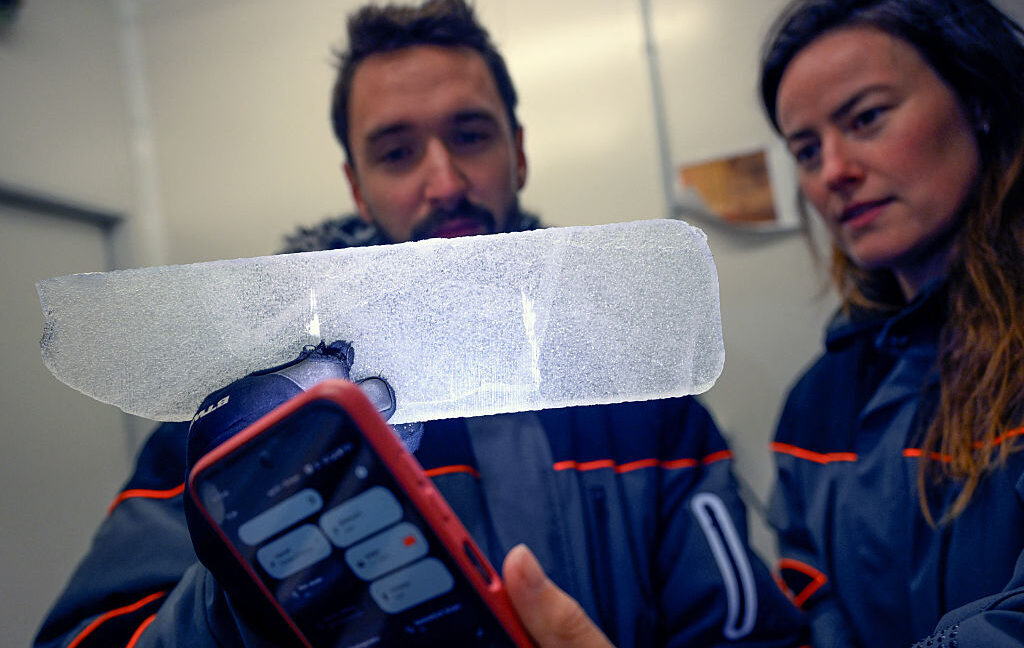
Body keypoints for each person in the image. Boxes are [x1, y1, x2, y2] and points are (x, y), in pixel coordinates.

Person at [33, 1, 807, 647]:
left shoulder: (642, 396)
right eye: (398, 152)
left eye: (470, 136)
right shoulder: (252, 416)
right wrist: (234, 598)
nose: (445, 181)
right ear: (356, 185)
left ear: (519, 153)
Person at [759, 0, 1024, 646]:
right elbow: (812, 609)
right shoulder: (816, 406)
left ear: (979, 101)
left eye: (867, 118)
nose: (834, 172)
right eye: (807, 150)